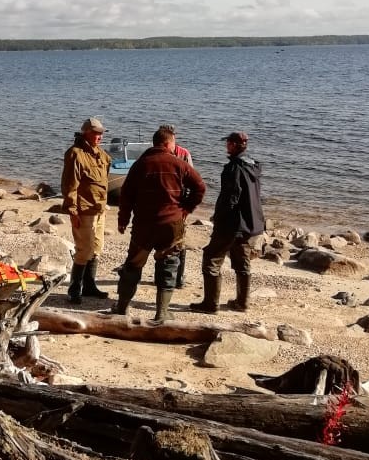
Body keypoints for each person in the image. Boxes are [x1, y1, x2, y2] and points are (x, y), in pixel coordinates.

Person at [113, 128, 205, 324]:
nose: (174, 147)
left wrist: (123, 220)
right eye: (173, 143)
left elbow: (126, 196)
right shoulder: (179, 163)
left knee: (133, 265)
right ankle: (161, 312)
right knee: (168, 265)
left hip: (143, 225)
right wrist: (186, 209)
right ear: (167, 144)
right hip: (171, 224)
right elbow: (200, 187)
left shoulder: (140, 165)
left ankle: (122, 307)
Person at [190, 130, 265, 315]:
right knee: (242, 261)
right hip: (249, 223)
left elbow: (231, 197)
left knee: (211, 258)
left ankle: (211, 304)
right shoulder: (253, 165)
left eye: (228, 143)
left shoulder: (234, 168)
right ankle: (242, 302)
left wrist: (218, 217)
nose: (226, 146)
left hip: (231, 223)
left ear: (233, 145)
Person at [60, 117, 111, 304]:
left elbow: (104, 177)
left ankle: (90, 286)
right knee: (84, 250)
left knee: (97, 248)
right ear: (86, 133)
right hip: (84, 209)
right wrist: (72, 211)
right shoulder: (75, 154)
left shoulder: (100, 153)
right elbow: (69, 185)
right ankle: (74, 289)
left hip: (99, 209)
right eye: (96, 133)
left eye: (101, 133)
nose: (100, 136)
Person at [158, 124, 193, 288]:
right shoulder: (155, 154)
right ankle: (161, 276)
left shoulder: (184, 154)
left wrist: (186, 206)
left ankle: (178, 278)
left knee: (180, 242)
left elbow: (193, 182)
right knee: (160, 242)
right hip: (160, 205)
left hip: (178, 205)